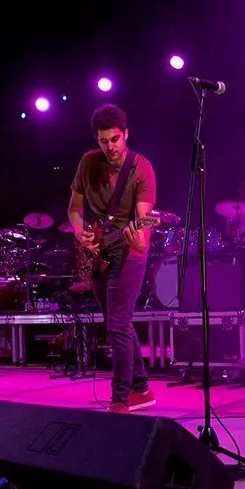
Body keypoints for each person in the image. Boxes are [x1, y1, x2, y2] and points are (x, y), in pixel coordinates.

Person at [67, 104, 157, 413]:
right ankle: (142, 389)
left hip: (129, 252)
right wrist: (80, 234)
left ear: (126, 134)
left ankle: (120, 398)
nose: (111, 147)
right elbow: (74, 209)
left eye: (115, 139)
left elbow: (144, 226)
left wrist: (138, 236)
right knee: (118, 323)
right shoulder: (88, 162)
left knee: (117, 325)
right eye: (104, 141)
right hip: (98, 252)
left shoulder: (141, 168)